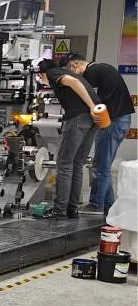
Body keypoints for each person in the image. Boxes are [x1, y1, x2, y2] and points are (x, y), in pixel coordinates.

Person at [65, 53, 135, 213]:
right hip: (122, 120)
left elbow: (92, 102)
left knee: (100, 166)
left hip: (112, 122)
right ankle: (109, 205)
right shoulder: (102, 68)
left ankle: (95, 204)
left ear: (74, 66)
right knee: (104, 165)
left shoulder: (91, 74)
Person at [36, 58, 99, 218]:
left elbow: (74, 83)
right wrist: (92, 108)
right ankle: (72, 208)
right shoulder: (69, 72)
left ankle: (59, 209)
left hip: (78, 118)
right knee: (77, 164)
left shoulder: (53, 73)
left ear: (42, 73)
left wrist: (91, 106)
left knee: (64, 163)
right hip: (92, 120)